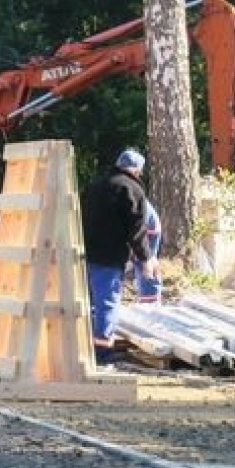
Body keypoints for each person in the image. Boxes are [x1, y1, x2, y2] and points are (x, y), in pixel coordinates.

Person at [80, 147, 156, 356]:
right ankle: (102, 351)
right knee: (107, 302)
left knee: (87, 301)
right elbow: (137, 229)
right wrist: (146, 258)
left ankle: (82, 346)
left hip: (84, 253)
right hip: (108, 256)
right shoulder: (133, 190)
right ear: (137, 171)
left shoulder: (96, 186)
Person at [130, 199, 163, 304]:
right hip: (142, 226)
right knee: (142, 262)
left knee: (145, 264)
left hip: (147, 228)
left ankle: (150, 299)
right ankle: (149, 297)